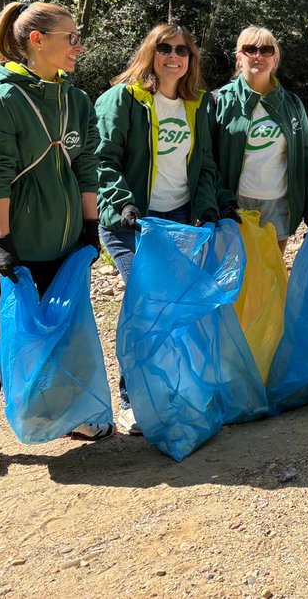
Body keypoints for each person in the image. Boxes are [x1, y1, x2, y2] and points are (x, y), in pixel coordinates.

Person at [0, 1, 105, 473]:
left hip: (63, 244)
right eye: (70, 37)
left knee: (60, 336)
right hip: (12, 248)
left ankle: (66, 417)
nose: (78, 46)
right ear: (37, 41)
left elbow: (87, 167)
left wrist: (91, 227)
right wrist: (2, 242)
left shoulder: (77, 100)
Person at [96, 23, 220, 435]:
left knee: (173, 310)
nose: (173, 56)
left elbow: (203, 164)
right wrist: (122, 201)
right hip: (132, 223)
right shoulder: (123, 100)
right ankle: (131, 400)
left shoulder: (196, 105)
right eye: (164, 48)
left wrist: (207, 208)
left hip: (178, 222)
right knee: (145, 306)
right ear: (150, 53)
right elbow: (102, 160)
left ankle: (165, 388)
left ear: (191, 59)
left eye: (182, 50)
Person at [210, 26, 308, 253]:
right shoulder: (219, 101)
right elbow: (206, 159)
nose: (258, 55)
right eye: (250, 49)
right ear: (239, 58)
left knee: (271, 276)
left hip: (277, 203)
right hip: (233, 202)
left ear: (275, 58)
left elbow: (307, 159)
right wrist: (219, 200)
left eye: (266, 50)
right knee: (233, 277)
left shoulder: (292, 104)